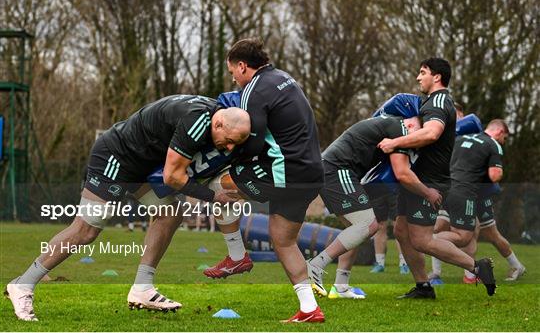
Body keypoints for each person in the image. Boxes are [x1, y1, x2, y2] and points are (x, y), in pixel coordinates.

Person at [5, 95, 250, 321]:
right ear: (218, 125)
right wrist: (213, 196)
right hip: (115, 158)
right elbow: (172, 177)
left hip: (138, 167)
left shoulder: (214, 117)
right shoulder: (196, 122)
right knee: (86, 230)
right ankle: (23, 285)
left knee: (170, 212)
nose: (228, 148)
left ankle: (142, 288)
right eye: (228, 141)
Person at [205, 38, 326, 323]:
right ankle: (310, 309)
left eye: (232, 70)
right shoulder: (284, 78)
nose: (233, 76)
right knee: (283, 240)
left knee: (216, 185)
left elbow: (253, 141)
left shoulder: (254, 89)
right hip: (311, 173)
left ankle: (236, 256)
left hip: (285, 173)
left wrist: (227, 154)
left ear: (243, 66)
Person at [378, 58, 496, 298]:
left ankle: (477, 267)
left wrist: (394, 142)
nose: (418, 78)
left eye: (423, 73)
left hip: (430, 180)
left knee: (421, 240)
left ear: (437, 76)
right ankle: (423, 287)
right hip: (415, 178)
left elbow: (432, 133)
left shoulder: (439, 100)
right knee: (401, 231)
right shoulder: (430, 101)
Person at [306, 114, 442, 299]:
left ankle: (340, 287)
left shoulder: (388, 125)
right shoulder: (399, 128)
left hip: (332, 170)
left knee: (354, 231)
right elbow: (402, 173)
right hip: (337, 170)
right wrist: (428, 193)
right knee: (369, 226)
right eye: (419, 134)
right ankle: (316, 265)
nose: (418, 142)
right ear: (410, 124)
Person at [431, 119, 525, 283]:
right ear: (500, 132)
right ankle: (435, 251)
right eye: (505, 138)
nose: (504, 142)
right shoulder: (493, 144)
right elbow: (495, 175)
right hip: (464, 192)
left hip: (453, 189)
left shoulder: (460, 139)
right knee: (463, 236)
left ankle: (516, 267)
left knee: (488, 233)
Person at [368, 192, 409, 275]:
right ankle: (379, 264)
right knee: (379, 226)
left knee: (399, 226)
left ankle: (404, 263)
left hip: (394, 188)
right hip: (377, 188)